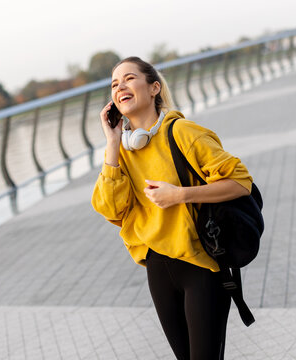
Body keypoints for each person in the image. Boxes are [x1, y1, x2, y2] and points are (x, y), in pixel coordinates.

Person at [91, 56, 253, 359]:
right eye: (114, 83)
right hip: (158, 270)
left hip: (201, 266)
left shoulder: (183, 132)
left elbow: (241, 182)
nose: (120, 87)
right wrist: (112, 143)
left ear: (154, 88)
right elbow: (110, 209)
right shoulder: (121, 152)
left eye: (128, 78)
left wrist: (180, 195)